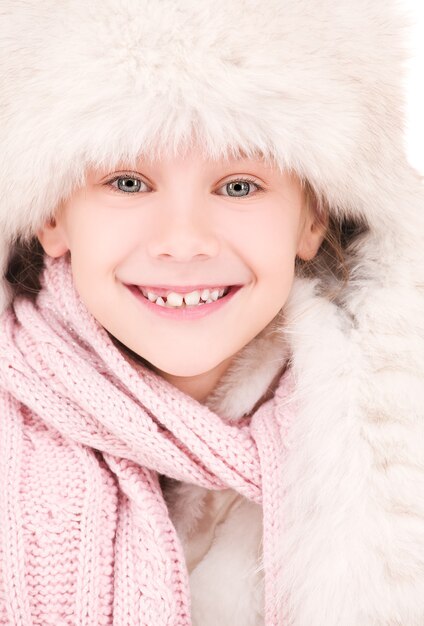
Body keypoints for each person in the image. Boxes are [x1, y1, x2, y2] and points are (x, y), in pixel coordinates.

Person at [0, 0, 422, 624]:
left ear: (312, 219)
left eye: (239, 186)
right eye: (127, 182)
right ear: (52, 214)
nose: (184, 240)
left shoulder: (395, 455)